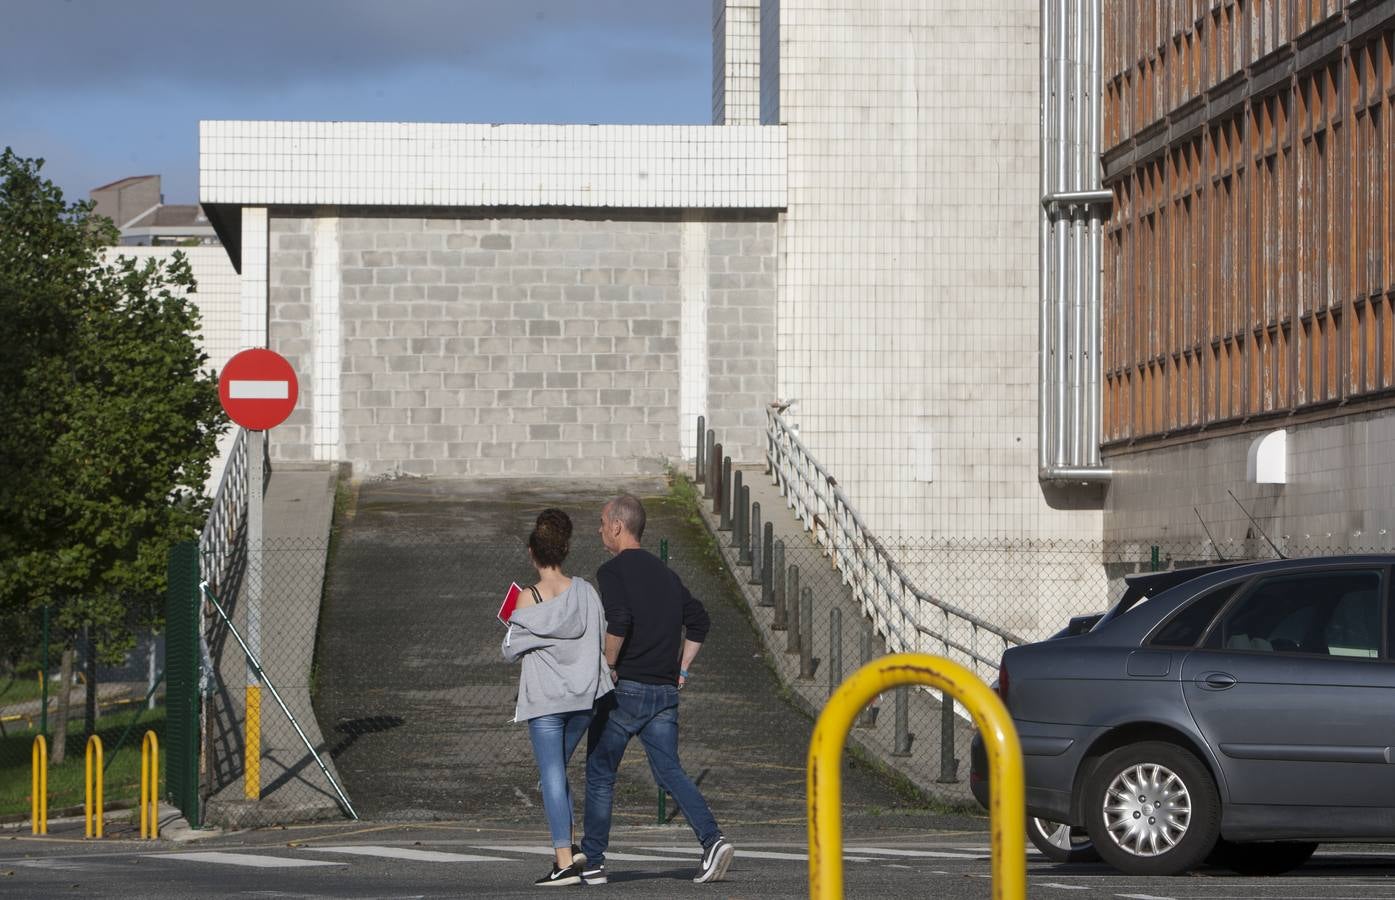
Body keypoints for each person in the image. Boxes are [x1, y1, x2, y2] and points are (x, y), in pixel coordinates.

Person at [579, 494, 735, 885]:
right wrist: (681, 668)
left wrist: (608, 665)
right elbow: (699, 621)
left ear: (618, 525)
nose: (599, 530)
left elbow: (619, 619)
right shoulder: (666, 575)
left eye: (602, 522)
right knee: (669, 771)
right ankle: (712, 840)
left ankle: (594, 861)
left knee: (600, 772)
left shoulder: (612, 571)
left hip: (625, 692)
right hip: (664, 693)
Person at [502, 508, 612, 887]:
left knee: (550, 774)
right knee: (555, 773)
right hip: (584, 699)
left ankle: (563, 860)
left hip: (546, 701)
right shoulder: (586, 591)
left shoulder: (527, 600)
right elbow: (600, 636)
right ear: (564, 551)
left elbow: (510, 649)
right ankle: (570, 851)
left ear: (533, 552)